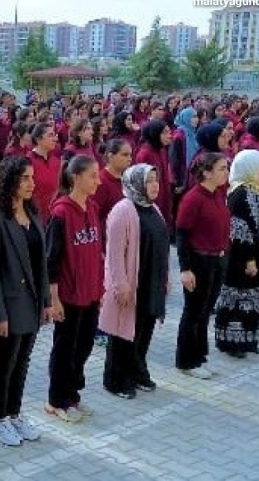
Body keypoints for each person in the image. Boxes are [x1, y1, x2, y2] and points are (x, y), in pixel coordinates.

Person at [0, 156, 51, 447]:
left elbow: (42, 265)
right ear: (10, 181)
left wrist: (46, 301)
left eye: (32, 178)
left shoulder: (33, 214)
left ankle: (14, 412)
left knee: (22, 362)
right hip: (9, 304)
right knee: (4, 364)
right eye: (25, 178)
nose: (31, 184)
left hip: (32, 302)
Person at [100, 164, 170, 400]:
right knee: (123, 334)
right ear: (136, 183)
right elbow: (114, 253)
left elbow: (162, 247)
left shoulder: (154, 209)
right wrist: (120, 285)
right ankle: (115, 379)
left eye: (155, 180)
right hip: (131, 284)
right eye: (148, 181)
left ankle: (137, 370)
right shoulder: (123, 210)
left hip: (151, 281)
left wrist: (165, 278)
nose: (154, 185)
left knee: (143, 330)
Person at [44, 155, 103, 422]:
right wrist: (54, 300)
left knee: (84, 346)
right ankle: (57, 400)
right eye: (92, 176)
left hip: (90, 293)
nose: (98, 181)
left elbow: (96, 252)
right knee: (65, 349)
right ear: (76, 178)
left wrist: (100, 288)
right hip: (68, 295)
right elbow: (51, 262)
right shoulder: (60, 213)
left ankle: (73, 395)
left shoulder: (91, 207)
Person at [214, 150, 259, 358]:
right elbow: (239, 231)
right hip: (243, 258)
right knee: (238, 297)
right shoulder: (239, 194)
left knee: (253, 297)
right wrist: (249, 259)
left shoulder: (257, 189)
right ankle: (232, 343)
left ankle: (249, 340)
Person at [175, 152, 230, 378]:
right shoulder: (193, 198)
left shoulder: (217, 194)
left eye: (227, 168)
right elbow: (182, 234)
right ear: (206, 173)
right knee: (194, 311)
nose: (226, 172)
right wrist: (185, 269)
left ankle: (199, 356)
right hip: (199, 260)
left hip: (217, 260)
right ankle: (186, 361)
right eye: (221, 169)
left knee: (206, 311)